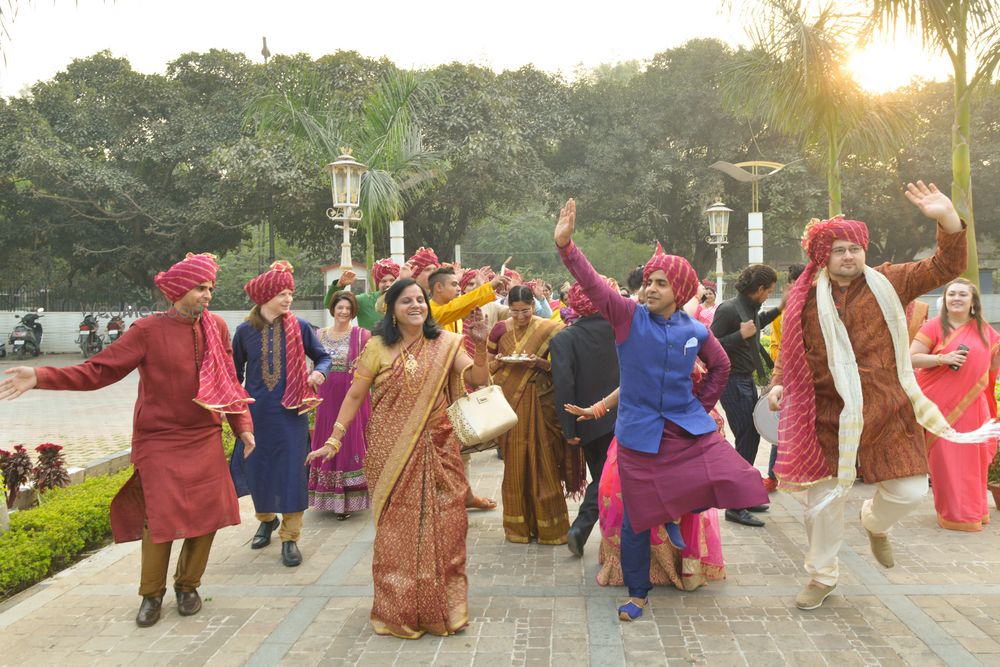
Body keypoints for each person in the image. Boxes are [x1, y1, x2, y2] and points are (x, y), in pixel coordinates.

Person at [769, 181, 998, 611]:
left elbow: (947, 264)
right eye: (839, 249)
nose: (850, 255)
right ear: (822, 255)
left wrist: (947, 218)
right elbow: (790, 349)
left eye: (855, 247)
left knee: (910, 491)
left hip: (888, 408)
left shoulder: (890, 281)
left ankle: (873, 523)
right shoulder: (801, 297)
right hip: (826, 413)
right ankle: (821, 576)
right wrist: (780, 381)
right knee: (822, 504)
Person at [0, 253, 255, 627]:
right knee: (160, 516)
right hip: (159, 438)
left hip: (203, 434)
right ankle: (151, 595)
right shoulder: (147, 331)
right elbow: (97, 371)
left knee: (210, 515)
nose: (207, 295)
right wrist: (41, 376)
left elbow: (228, 382)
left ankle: (188, 586)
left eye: (210, 288)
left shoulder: (215, 327)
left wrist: (242, 426)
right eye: (201, 287)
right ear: (179, 290)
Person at [555, 198, 768, 621]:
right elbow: (594, 284)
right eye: (648, 281)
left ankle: (677, 512)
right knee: (636, 518)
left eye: (660, 283)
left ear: (681, 291)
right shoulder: (627, 317)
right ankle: (638, 593)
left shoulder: (694, 328)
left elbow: (721, 366)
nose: (649, 288)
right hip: (637, 436)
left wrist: (698, 406)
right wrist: (566, 247)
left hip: (686, 431)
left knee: (732, 475)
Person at [305, 278, 491, 639]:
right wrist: (334, 439)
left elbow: (479, 379)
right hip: (390, 451)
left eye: (420, 300)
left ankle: (444, 611)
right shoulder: (377, 348)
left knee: (448, 531)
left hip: (440, 450)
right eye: (407, 301)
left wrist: (480, 345)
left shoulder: (447, 344)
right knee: (396, 537)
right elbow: (355, 395)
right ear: (391, 309)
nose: (416, 305)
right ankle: (399, 612)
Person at [568, 383, 727, 593]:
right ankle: (634, 573)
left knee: (682, 485)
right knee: (616, 492)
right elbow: (629, 381)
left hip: (678, 423)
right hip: (641, 424)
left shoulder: (696, 351)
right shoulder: (637, 351)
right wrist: (597, 408)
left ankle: (676, 533)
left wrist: (699, 410)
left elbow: (721, 367)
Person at [230, 261, 331, 567]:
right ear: (264, 296)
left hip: (291, 414)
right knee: (257, 469)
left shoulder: (299, 327)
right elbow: (234, 374)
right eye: (282, 293)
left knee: (291, 472)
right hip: (257, 414)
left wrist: (319, 375)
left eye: (290, 293)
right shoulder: (244, 331)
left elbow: (323, 356)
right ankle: (266, 519)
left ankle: (290, 537)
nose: (289, 299)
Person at [489, 285, 586, 544]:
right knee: (515, 464)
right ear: (508, 308)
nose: (521, 316)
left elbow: (565, 369)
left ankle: (551, 530)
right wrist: (499, 361)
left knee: (544, 463)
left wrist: (539, 363)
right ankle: (518, 528)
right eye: (515, 311)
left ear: (534, 305)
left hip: (542, 402)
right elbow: (486, 366)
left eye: (526, 310)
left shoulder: (551, 328)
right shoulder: (499, 329)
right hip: (510, 405)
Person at [910, 278, 1000, 531]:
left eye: (962, 294)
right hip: (939, 406)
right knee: (946, 460)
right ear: (945, 300)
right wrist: (942, 358)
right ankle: (954, 515)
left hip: (974, 406)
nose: (956, 298)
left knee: (974, 460)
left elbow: (992, 366)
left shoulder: (985, 330)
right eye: (952, 294)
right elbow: (911, 358)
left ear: (973, 302)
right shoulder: (934, 327)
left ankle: (975, 511)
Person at [428, 265, 510, 511]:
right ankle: (441, 500)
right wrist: (487, 287)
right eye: (454, 285)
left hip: (455, 385)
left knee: (459, 445)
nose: (458, 289)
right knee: (439, 449)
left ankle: (465, 494)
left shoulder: (450, 312)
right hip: (433, 392)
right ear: (438, 287)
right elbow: (454, 310)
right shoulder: (432, 311)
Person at [550, 280, 620, 557]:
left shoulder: (564, 338)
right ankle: (594, 530)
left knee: (604, 476)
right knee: (609, 478)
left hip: (588, 422)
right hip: (629, 414)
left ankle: (585, 527)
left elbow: (564, 386)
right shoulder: (623, 330)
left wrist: (568, 428)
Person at [711, 264, 780, 527]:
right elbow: (710, 345)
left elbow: (757, 324)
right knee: (746, 437)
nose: (768, 296)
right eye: (769, 292)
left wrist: (781, 307)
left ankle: (745, 496)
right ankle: (735, 504)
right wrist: (740, 335)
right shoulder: (728, 309)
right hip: (731, 382)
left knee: (751, 437)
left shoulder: (748, 308)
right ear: (759, 289)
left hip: (744, 380)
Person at [309, 290, 372, 519]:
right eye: (340, 308)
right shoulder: (319, 335)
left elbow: (370, 366)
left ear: (353, 311)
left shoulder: (362, 335)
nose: (344, 312)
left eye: (348, 308)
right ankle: (328, 495)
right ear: (333, 309)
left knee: (349, 441)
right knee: (327, 437)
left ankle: (350, 497)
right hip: (326, 398)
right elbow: (314, 365)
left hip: (353, 395)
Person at [764, 263, 806, 492]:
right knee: (785, 424)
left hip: (797, 375)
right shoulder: (785, 312)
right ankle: (773, 475)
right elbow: (777, 346)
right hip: (792, 376)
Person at [323, 258, 400, 332]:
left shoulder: (405, 300)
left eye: (392, 280)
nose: (388, 284)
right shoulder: (365, 300)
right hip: (368, 345)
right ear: (378, 283)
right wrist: (339, 285)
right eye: (383, 281)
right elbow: (329, 304)